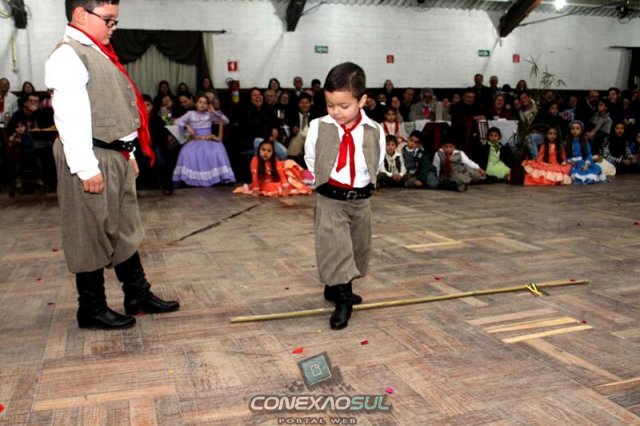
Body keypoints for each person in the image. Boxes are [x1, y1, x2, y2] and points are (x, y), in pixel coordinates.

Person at [45, 0, 179, 330]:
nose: (113, 27)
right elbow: (70, 116)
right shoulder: (68, 55)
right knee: (89, 231)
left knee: (124, 229)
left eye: (115, 21)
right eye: (108, 20)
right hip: (91, 156)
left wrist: (128, 152)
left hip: (113, 154)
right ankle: (91, 308)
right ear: (80, 14)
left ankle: (137, 295)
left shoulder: (99, 51)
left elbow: (111, 107)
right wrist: (85, 167)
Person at [304, 62, 385, 330]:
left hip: (360, 199)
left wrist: (363, 185)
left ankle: (334, 287)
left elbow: (377, 162)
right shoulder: (318, 126)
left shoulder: (375, 130)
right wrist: (323, 181)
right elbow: (311, 158)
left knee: (357, 249)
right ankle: (343, 299)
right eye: (330, 105)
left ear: (362, 100)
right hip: (331, 198)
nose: (336, 112)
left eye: (344, 106)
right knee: (335, 248)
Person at [172, 94, 236, 187]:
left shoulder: (209, 114)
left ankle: (219, 178)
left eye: (205, 103)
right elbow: (176, 122)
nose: (202, 104)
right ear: (195, 103)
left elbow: (226, 121)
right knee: (185, 151)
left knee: (217, 150)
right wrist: (186, 126)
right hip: (196, 140)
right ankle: (190, 180)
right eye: (200, 102)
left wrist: (213, 111)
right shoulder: (190, 113)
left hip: (209, 140)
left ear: (208, 105)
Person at [234, 138, 311, 197]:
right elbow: (255, 176)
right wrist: (256, 189)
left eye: (269, 151)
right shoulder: (255, 160)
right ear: (259, 150)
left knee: (289, 168)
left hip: (276, 179)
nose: (265, 153)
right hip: (263, 183)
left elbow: (281, 174)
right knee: (268, 187)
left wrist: (285, 187)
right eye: (263, 150)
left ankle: (308, 179)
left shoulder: (275, 160)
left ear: (272, 152)